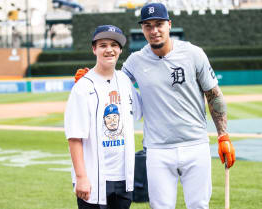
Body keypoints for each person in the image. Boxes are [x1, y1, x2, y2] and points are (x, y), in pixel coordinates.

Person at [75, 3, 235, 209]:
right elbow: (114, 85)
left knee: (198, 206)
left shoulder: (193, 54)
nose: (154, 30)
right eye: (148, 26)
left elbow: (214, 95)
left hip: (195, 145)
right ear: (143, 29)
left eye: (159, 24)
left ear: (169, 24)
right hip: (158, 149)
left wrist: (223, 135)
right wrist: (91, 77)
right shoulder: (135, 61)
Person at [64, 25, 142, 209]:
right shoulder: (82, 87)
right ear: (94, 49)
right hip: (93, 177)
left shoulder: (124, 81)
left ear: (120, 50)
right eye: (103, 45)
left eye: (114, 45)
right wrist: (81, 177)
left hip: (123, 177)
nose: (109, 49)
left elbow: (138, 112)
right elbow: (75, 136)